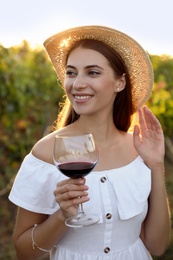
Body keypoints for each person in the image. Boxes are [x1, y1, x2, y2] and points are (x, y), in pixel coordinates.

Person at [9, 25, 171, 260]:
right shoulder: (45, 154)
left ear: (120, 83)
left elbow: (157, 247)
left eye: (93, 72)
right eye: (71, 72)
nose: (77, 84)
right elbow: (24, 252)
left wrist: (156, 165)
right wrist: (62, 216)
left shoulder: (139, 150)